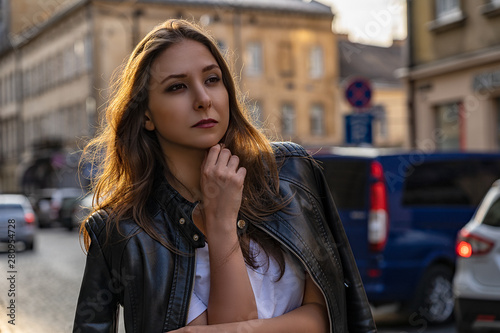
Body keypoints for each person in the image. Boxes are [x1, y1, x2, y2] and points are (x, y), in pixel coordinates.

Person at [73, 19, 376, 333]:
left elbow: (327, 315)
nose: (203, 99)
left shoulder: (290, 173)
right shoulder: (126, 231)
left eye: (212, 79)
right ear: (146, 115)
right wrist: (220, 223)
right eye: (177, 86)